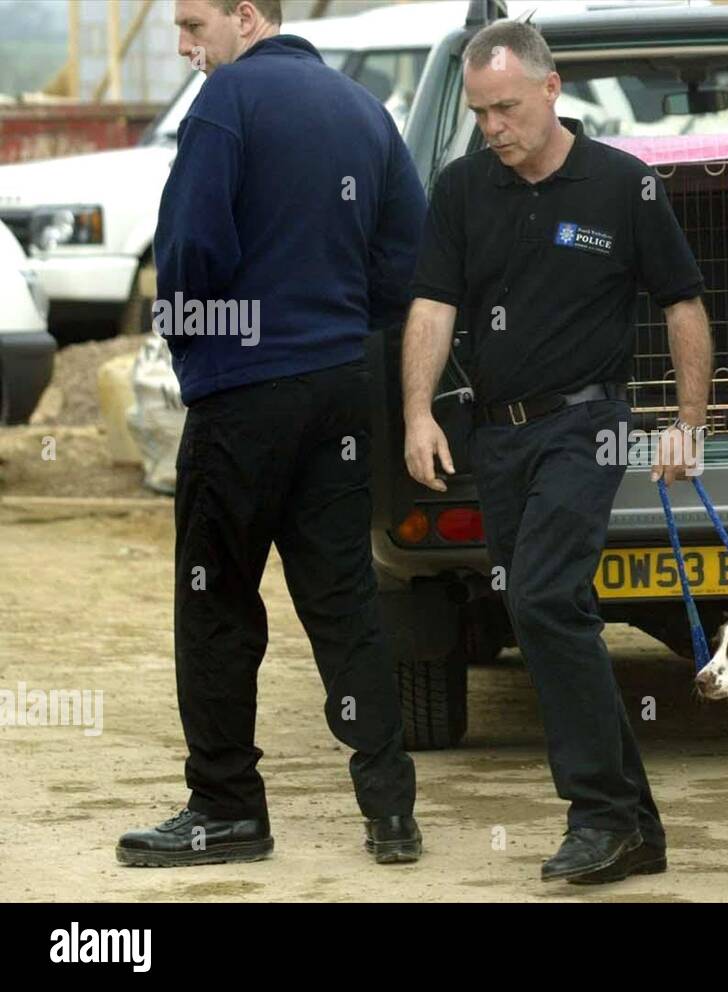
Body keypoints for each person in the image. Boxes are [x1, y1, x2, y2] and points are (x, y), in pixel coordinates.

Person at [401, 20, 713, 884]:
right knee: (547, 612)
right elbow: (432, 305)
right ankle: (633, 824)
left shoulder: (622, 186)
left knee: (542, 596)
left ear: (550, 88)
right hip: (495, 434)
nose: (493, 127)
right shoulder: (463, 189)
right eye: (479, 113)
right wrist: (416, 412)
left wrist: (686, 422)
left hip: (587, 425)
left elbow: (683, 306)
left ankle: (598, 814)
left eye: (505, 108)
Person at [117, 0, 426, 867]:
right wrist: (334, 334)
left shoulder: (226, 103)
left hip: (244, 395)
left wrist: (199, 347)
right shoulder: (364, 110)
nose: (184, 46)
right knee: (344, 599)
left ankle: (226, 810)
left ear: (247, 17)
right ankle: (390, 811)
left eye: (193, 24)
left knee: (216, 604)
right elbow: (405, 257)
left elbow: (190, 251)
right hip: (338, 391)